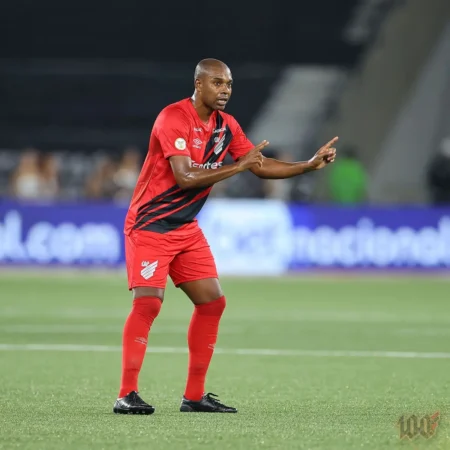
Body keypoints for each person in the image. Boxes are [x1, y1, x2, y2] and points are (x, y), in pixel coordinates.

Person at [114, 58, 337, 415]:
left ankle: (194, 396)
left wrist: (308, 165)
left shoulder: (226, 126)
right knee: (149, 303)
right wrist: (238, 167)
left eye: (229, 85)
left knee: (212, 302)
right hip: (151, 225)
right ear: (198, 84)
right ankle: (127, 393)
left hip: (185, 228)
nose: (225, 91)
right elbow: (185, 176)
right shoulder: (173, 117)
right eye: (217, 83)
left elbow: (259, 165)